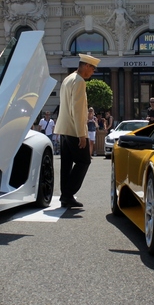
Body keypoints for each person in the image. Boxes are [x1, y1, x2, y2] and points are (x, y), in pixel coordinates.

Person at [54, 53, 99, 208]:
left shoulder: (68, 79)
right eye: (92, 69)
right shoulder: (79, 82)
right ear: (86, 66)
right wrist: (82, 134)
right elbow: (78, 110)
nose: (93, 72)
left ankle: (65, 196)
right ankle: (67, 194)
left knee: (66, 164)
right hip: (74, 129)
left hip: (64, 128)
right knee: (84, 161)